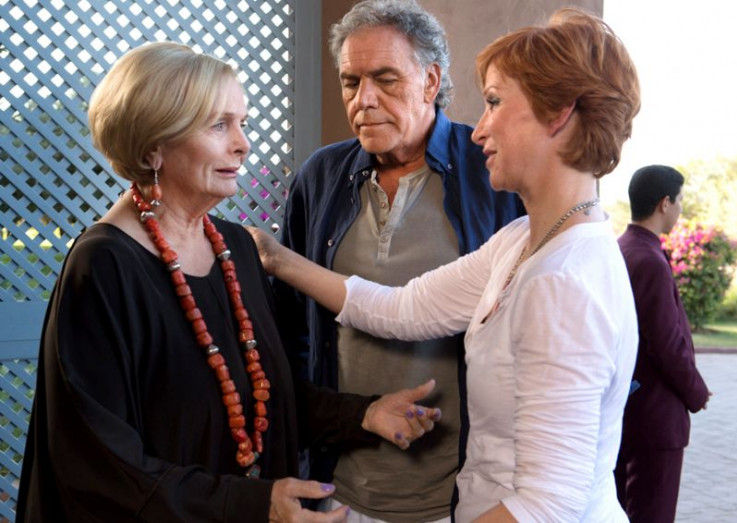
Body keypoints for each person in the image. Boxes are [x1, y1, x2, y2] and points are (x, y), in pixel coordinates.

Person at [15, 41, 443, 523]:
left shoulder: (235, 247)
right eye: (219, 125)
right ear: (153, 144)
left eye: (242, 123)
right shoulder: (103, 266)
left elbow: (262, 395)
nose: (242, 144)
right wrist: (253, 503)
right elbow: (97, 465)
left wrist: (361, 415)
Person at [250, 7, 642, 522]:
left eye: (495, 102)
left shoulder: (564, 281)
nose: (479, 130)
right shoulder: (521, 240)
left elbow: (548, 505)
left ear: (558, 114)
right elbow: (401, 309)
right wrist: (274, 256)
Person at [274, 1, 523, 520]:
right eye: (351, 82)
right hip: (339, 488)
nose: (363, 99)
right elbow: (290, 330)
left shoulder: (492, 173)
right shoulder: (320, 176)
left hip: (459, 498)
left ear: (430, 81)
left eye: (385, 79)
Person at [614, 165, 711, 522]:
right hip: (655, 417)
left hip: (627, 409)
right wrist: (696, 392)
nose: (681, 209)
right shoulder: (649, 259)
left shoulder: (622, 248)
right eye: (680, 200)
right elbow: (666, 343)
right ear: (664, 203)